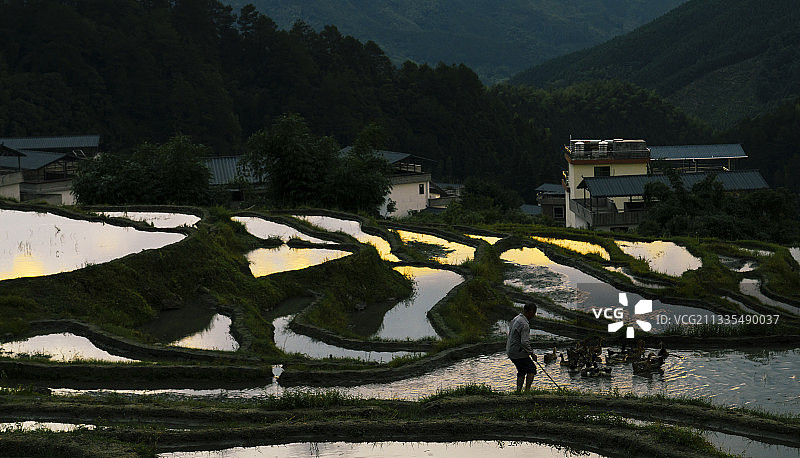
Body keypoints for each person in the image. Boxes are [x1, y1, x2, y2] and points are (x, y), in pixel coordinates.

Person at [506, 302, 538, 392]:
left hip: (511, 350)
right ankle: (527, 391)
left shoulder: (516, 318)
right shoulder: (524, 324)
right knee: (532, 369)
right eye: (534, 313)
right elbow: (524, 342)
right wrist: (532, 353)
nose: (534, 315)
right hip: (518, 352)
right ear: (530, 312)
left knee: (522, 370)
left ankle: (518, 391)